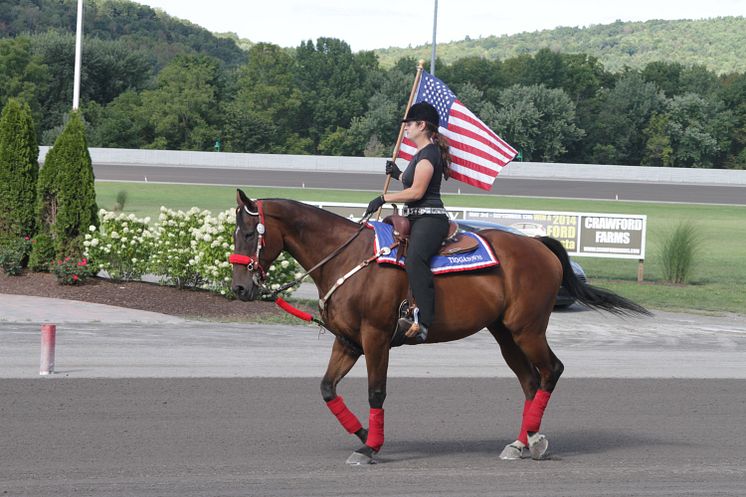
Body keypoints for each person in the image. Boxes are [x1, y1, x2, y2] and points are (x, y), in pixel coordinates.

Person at [364, 102, 451, 343]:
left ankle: (424, 322)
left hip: (430, 219)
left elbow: (416, 191)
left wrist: (384, 198)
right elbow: (410, 179)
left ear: (422, 126)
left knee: (415, 258)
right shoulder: (421, 155)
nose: (406, 129)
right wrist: (397, 173)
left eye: (409, 124)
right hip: (414, 217)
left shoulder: (429, 154)